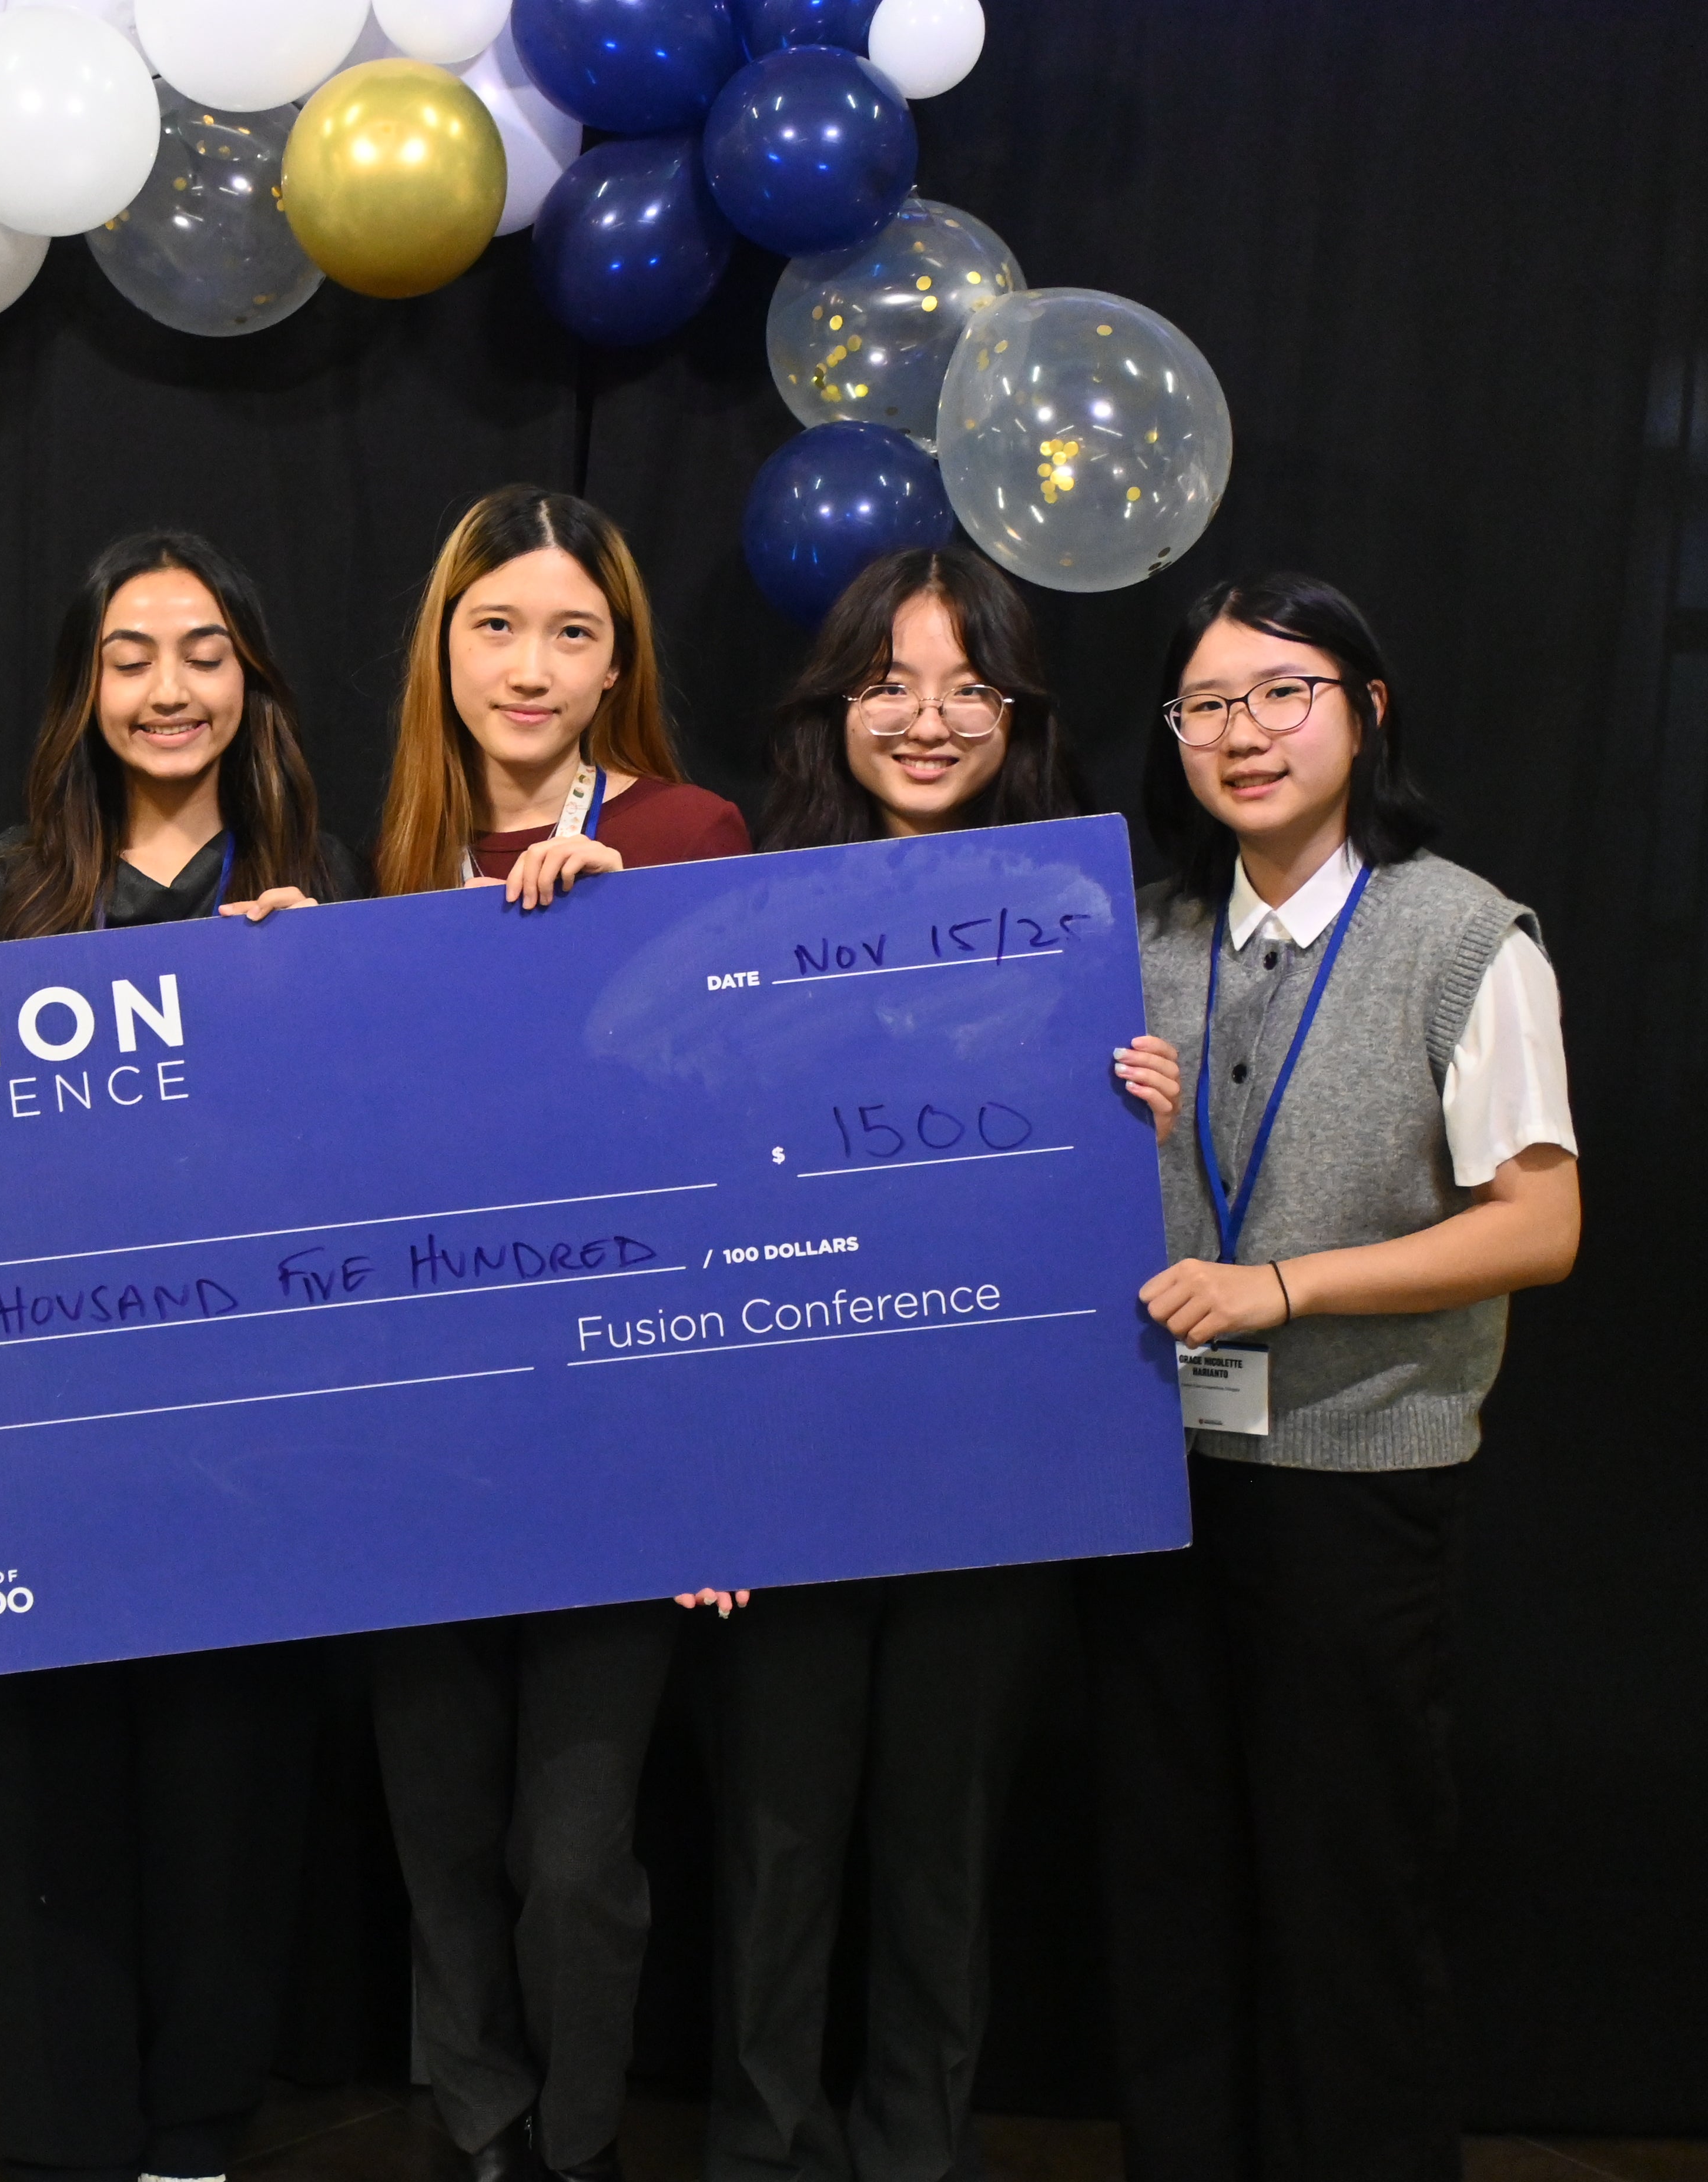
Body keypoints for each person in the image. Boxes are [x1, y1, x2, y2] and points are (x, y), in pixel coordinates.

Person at [1082, 572, 1582, 2182]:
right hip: (1157, 1478)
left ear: (1365, 713)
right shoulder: (1139, 935)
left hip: (1360, 1481)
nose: (1244, 733)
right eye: (1206, 704)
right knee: (1170, 1882)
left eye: (1283, 693)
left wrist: (1284, 1287)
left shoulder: (1462, 934)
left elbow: (1542, 1225)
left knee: (1346, 1891)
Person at [0, 530, 361, 2182]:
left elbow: (396, 1152)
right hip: (39, 1445)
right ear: (82, 692)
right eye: (129, 657)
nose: (169, 689)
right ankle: (65, 2130)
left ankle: (196, 2126)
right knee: (43, 1798)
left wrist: (317, 994)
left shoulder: (329, 885)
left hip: (253, 1445)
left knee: (228, 1791)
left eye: (202, 654)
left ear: (253, 681)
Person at [679, 547, 1094, 2182]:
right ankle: (762, 2156)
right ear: (833, 706)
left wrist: (1137, 1110)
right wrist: (707, 1478)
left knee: (945, 1851)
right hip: (790, 1470)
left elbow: (1096, 1215)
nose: (928, 720)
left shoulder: (1081, 918)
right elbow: (687, 1199)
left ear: (1017, 713)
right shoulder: (740, 909)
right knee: (776, 1852)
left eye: (968, 686)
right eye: (889, 683)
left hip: (993, 1470)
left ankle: (916, 2151)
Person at [369, 486, 751, 2182]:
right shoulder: (379, 853)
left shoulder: (687, 835)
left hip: (620, 1436)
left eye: (572, 633)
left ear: (617, 666)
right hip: (424, 1434)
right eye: (498, 627)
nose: (531, 666)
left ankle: (580, 2145)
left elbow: (743, 1131)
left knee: (576, 1857)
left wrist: (631, 947)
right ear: (444, 650)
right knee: (441, 1834)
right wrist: (268, 980)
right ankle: (483, 2131)